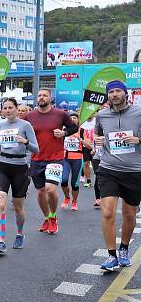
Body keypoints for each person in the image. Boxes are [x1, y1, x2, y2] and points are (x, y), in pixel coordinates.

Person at [94, 80, 141, 271]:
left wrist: (138, 139)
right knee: (107, 212)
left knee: (130, 214)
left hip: (134, 171)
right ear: (108, 96)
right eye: (111, 92)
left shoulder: (138, 112)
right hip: (108, 169)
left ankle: (124, 249)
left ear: (125, 93)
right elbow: (98, 136)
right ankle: (111, 255)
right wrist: (96, 140)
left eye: (117, 91)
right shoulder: (102, 115)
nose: (114, 95)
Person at [24, 89, 78, 235]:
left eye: (45, 95)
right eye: (39, 95)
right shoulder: (30, 116)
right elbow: (23, 133)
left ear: (50, 98)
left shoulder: (60, 114)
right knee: (41, 192)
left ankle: (53, 217)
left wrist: (64, 133)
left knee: (51, 189)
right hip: (36, 158)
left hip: (55, 157)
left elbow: (74, 127)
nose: (41, 98)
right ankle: (47, 218)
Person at [0, 98, 39, 253]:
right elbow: (5, 143)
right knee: (2, 204)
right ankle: (1, 240)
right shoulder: (1, 125)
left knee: (18, 207)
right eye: (4, 108)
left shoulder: (25, 125)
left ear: (16, 108)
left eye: (10, 107)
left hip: (20, 168)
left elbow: (35, 149)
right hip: (3, 166)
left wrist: (25, 142)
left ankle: (19, 233)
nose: (7, 110)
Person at [61, 113, 84, 211]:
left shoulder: (81, 131)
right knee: (64, 180)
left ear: (78, 120)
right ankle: (67, 197)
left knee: (74, 184)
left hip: (77, 159)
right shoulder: (64, 131)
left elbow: (89, 145)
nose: (72, 119)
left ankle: (74, 201)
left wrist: (81, 139)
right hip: (65, 158)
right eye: (70, 118)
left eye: (74, 118)